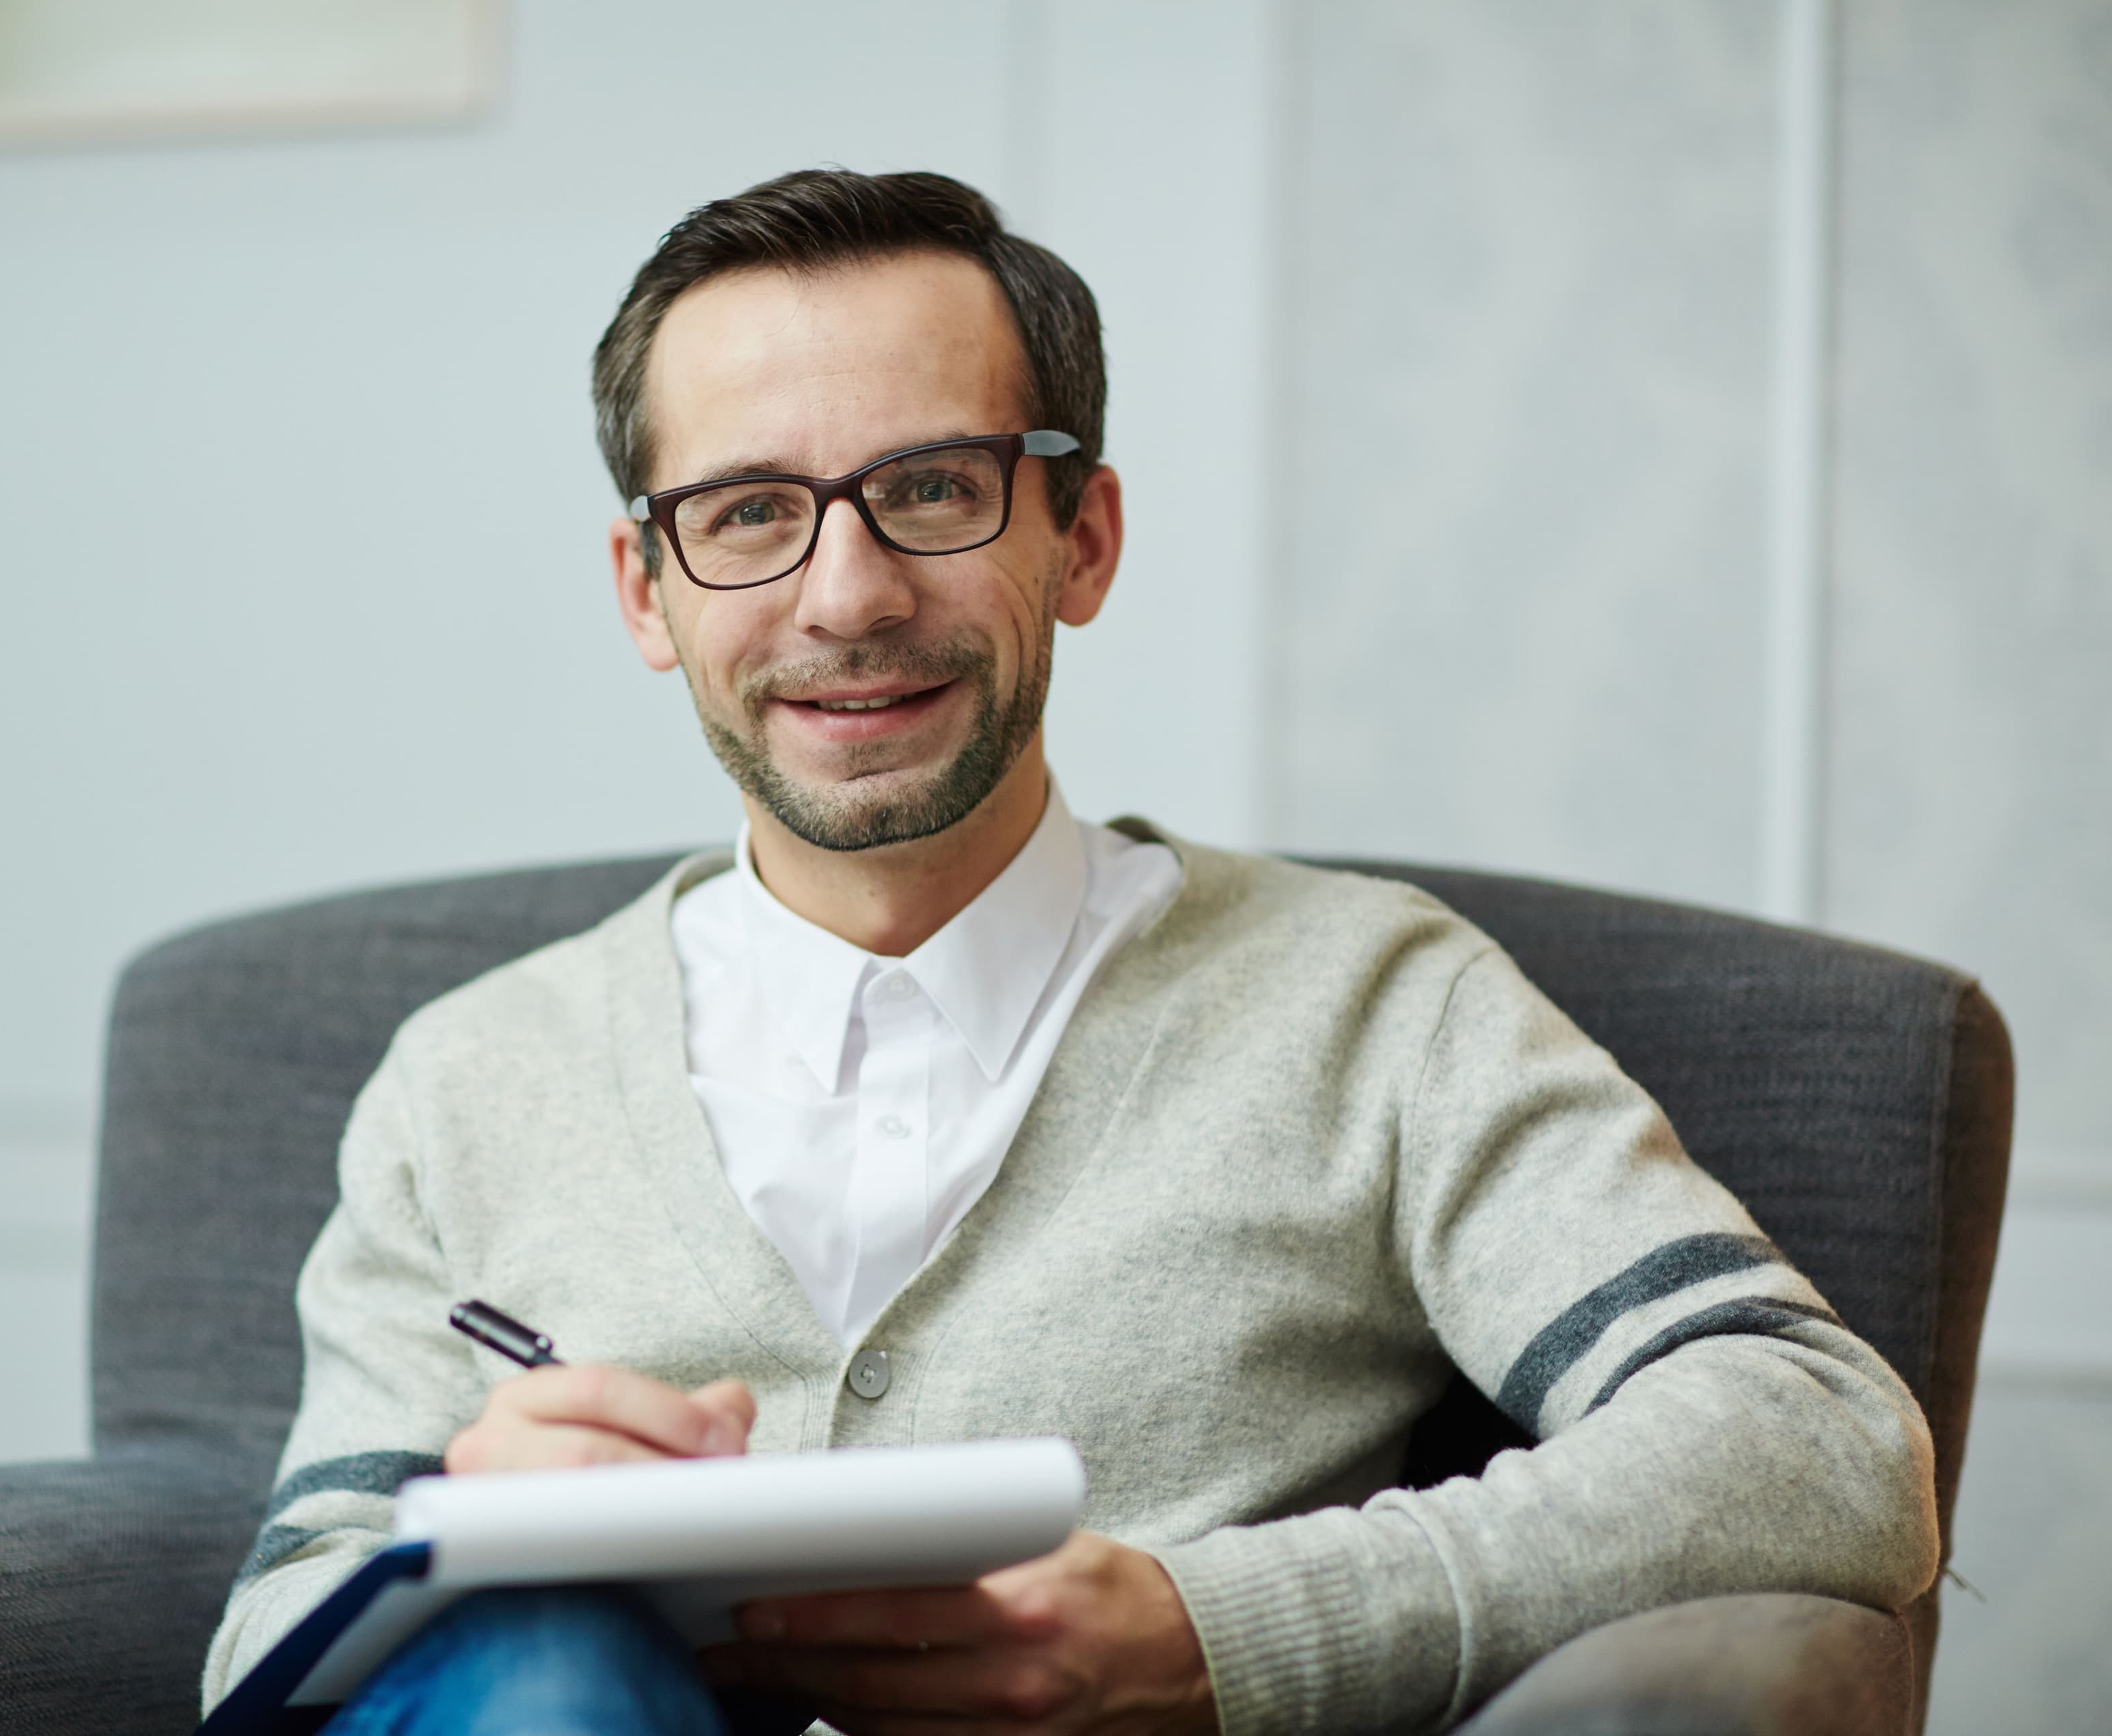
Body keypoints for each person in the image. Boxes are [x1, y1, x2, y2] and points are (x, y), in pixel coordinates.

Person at [202, 169, 1936, 1736]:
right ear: (646, 590)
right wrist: (461, 1544)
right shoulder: (467, 1075)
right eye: (745, 512)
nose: (848, 595)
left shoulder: (1375, 1006)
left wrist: (1220, 1626)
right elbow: (263, 1648)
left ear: (1083, 537)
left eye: (933, 488)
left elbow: (1822, 1444)